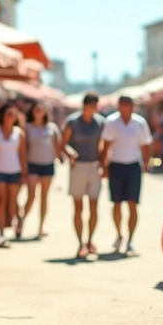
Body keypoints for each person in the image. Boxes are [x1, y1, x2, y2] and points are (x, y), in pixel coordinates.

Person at [99, 95, 153, 254]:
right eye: (122, 104)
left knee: (132, 204)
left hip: (133, 166)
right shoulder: (111, 122)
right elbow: (106, 145)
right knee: (116, 203)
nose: (124, 107)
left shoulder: (139, 123)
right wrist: (104, 166)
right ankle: (119, 234)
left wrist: (146, 162)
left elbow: (145, 145)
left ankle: (130, 239)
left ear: (132, 106)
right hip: (116, 165)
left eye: (127, 104)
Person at [60, 92, 105, 258]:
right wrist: (71, 154)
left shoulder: (100, 122)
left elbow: (102, 145)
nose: (93, 109)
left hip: (94, 166)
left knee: (94, 206)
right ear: (85, 105)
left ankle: (90, 240)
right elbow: (62, 144)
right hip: (78, 166)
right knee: (78, 207)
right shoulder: (73, 122)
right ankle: (80, 243)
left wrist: (103, 163)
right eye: (91, 105)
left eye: (95, 105)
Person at [0, 103, 27, 246]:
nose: (11, 117)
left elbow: (22, 155)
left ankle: (18, 222)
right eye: (9, 113)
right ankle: (1, 233)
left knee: (13, 201)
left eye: (14, 114)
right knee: (1, 201)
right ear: (3, 116)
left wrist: (25, 173)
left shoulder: (19, 133)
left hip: (15, 170)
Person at [22, 102, 62, 239]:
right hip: (32, 164)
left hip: (48, 164)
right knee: (31, 196)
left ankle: (41, 227)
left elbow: (58, 147)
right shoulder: (27, 127)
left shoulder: (52, 128)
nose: (38, 112)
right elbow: (23, 147)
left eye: (41, 109)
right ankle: (21, 221)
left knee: (44, 197)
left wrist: (66, 156)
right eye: (36, 109)